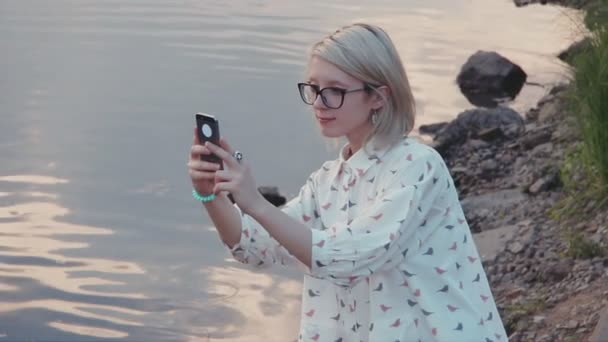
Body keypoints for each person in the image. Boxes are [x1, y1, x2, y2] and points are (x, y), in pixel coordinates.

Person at [188, 23, 507, 342]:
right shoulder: (327, 181)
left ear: (379, 97)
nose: (318, 102)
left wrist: (256, 202)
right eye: (313, 88)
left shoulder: (416, 166)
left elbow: (350, 256)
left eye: (335, 91)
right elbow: (253, 247)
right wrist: (211, 195)